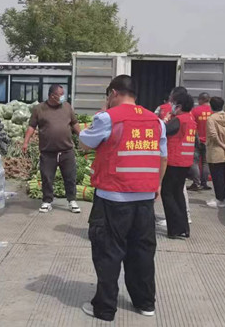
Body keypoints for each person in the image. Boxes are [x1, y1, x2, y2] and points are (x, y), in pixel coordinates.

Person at [79, 75, 167, 322]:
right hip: (144, 198)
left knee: (108, 252)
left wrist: (97, 116)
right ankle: (145, 303)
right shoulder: (156, 121)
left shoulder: (108, 118)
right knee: (142, 252)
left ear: (114, 93)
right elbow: (162, 157)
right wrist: (158, 184)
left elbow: (85, 144)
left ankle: (105, 309)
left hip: (113, 198)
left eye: (108, 95)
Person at [23, 84, 81, 214]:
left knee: (70, 177)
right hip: (48, 152)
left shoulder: (67, 107)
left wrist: (82, 136)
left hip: (66, 150)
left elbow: (74, 123)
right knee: (47, 177)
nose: (63, 97)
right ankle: (47, 201)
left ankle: (72, 200)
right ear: (52, 96)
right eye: (61, 94)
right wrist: (25, 142)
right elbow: (32, 126)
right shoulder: (39, 109)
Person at [161, 92, 196, 239]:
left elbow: (163, 131)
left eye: (173, 103)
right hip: (185, 161)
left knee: (167, 193)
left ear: (179, 106)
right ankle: (184, 228)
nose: (171, 106)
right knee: (178, 193)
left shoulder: (178, 120)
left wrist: (165, 120)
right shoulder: (191, 119)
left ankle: (176, 227)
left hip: (174, 161)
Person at [205, 97, 225, 208]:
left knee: (216, 177)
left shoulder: (211, 119)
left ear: (211, 106)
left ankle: (219, 200)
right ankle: (222, 198)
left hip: (215, 151)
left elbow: (213, 135)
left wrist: (222, 145)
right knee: (223, 177)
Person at [188, 92, 212, 191]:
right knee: (206, 163)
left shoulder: (195, 111)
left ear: (201, 100)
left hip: (196, 140)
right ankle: (204, 183)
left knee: (194, 161)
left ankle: (196, 183)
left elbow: (192, 125)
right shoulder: (212, 111)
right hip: (209, 141)